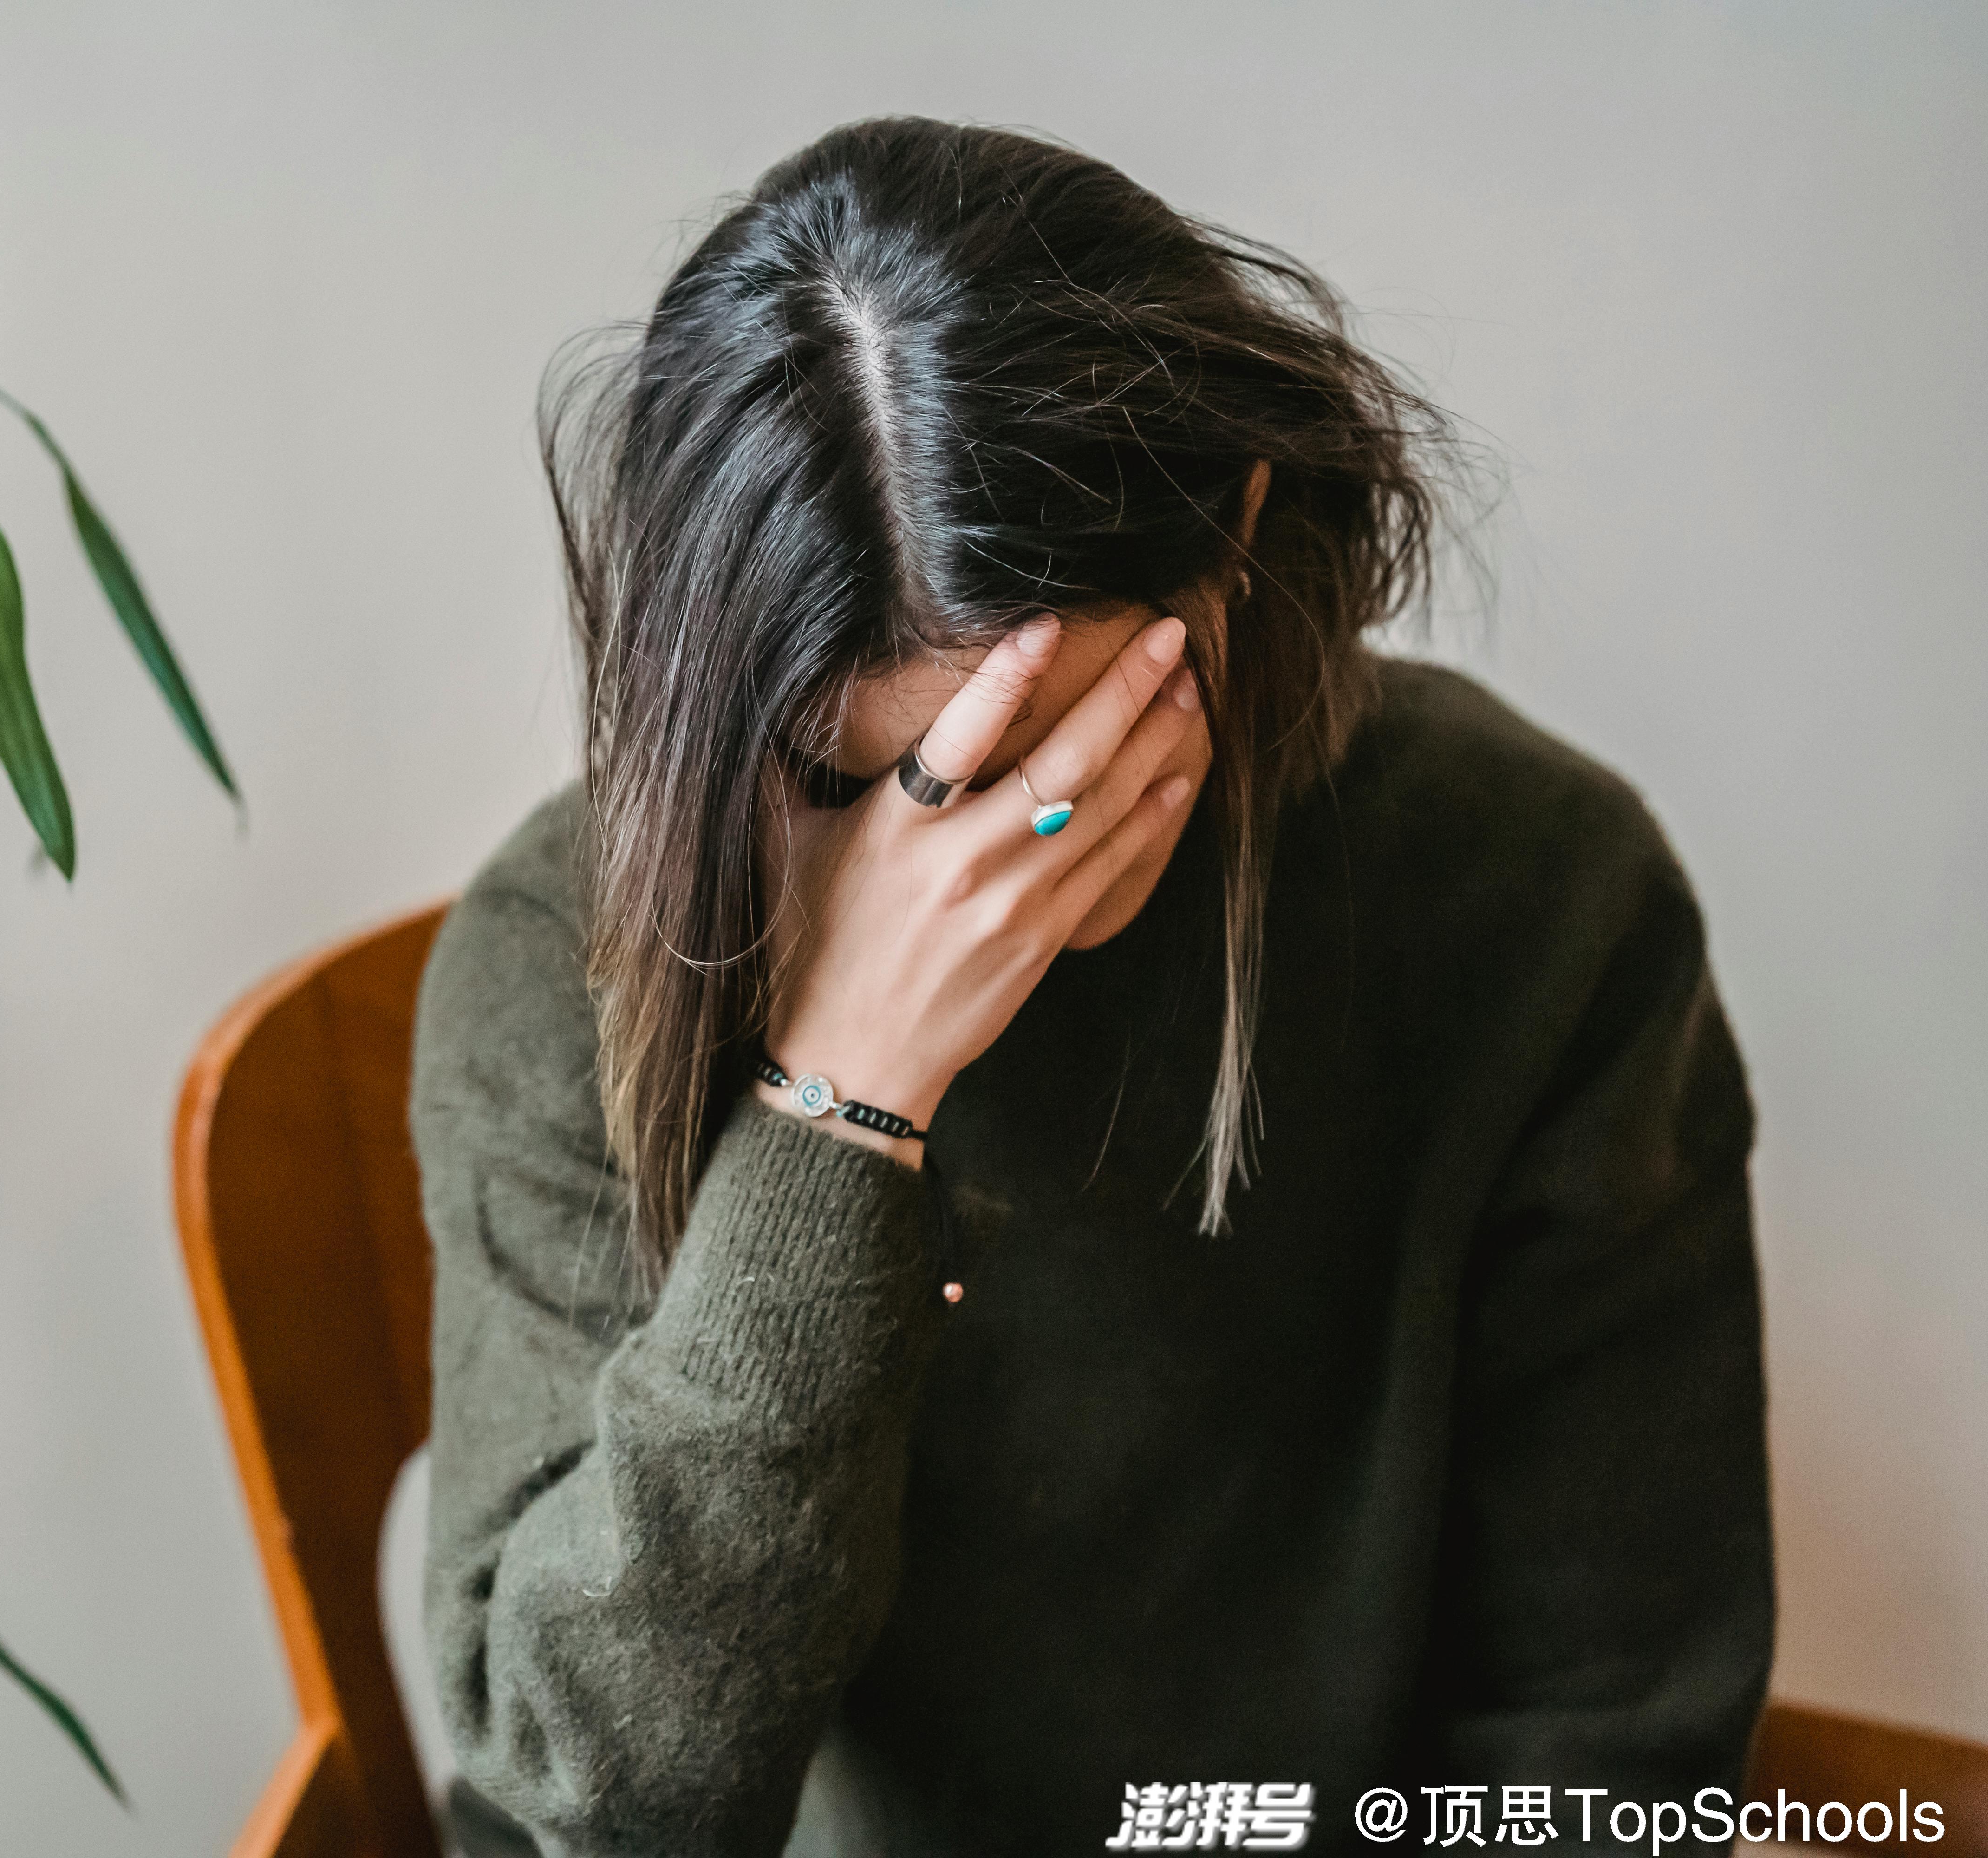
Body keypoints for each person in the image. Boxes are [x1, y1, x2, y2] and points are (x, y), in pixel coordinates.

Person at [410, 117, 1771, 1858]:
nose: (968, 871)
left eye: (1051, 759)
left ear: (1240, 531)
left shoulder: (1540, 898)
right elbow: (598, 1806)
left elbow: (1613, 1742)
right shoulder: (560, 960)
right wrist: (840, 1111)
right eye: (856, 781)